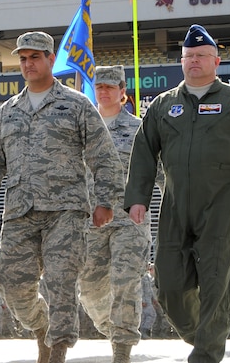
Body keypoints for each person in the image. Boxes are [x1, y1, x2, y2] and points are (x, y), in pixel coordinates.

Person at [124, 24, 230, 363]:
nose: (194, 61)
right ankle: (204, 335)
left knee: (216, 283)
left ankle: (206, 353)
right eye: (188, 56)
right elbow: (145, 152)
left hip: (221, 204)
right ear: (181, 61)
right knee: (169, 287)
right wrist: (138, 197)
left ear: (216, 61)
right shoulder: (163, 105)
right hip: (175, 204)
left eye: (201, 56)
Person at [0, 31, 123, 363]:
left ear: (51, 59)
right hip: (19, 211)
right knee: (10, 281)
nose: (27, 64)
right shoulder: (9, 111)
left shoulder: (76, 104)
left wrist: (105, 201)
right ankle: (42, 328)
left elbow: (104, 156)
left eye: (35, 57)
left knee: (61, 280)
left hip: (66, 211)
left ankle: (57, 349)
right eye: (23, 58)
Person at [77, 65, 149, 363]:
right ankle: (113, 329)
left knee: (125, 280)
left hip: (128, 220)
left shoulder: (139, 130)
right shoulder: (81, 130)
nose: (104, 91)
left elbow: (155, 172)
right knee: (90, 290)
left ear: (123, 92)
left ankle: (122, 347)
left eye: (110, 86)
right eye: (99, 86)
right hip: (91, 222)